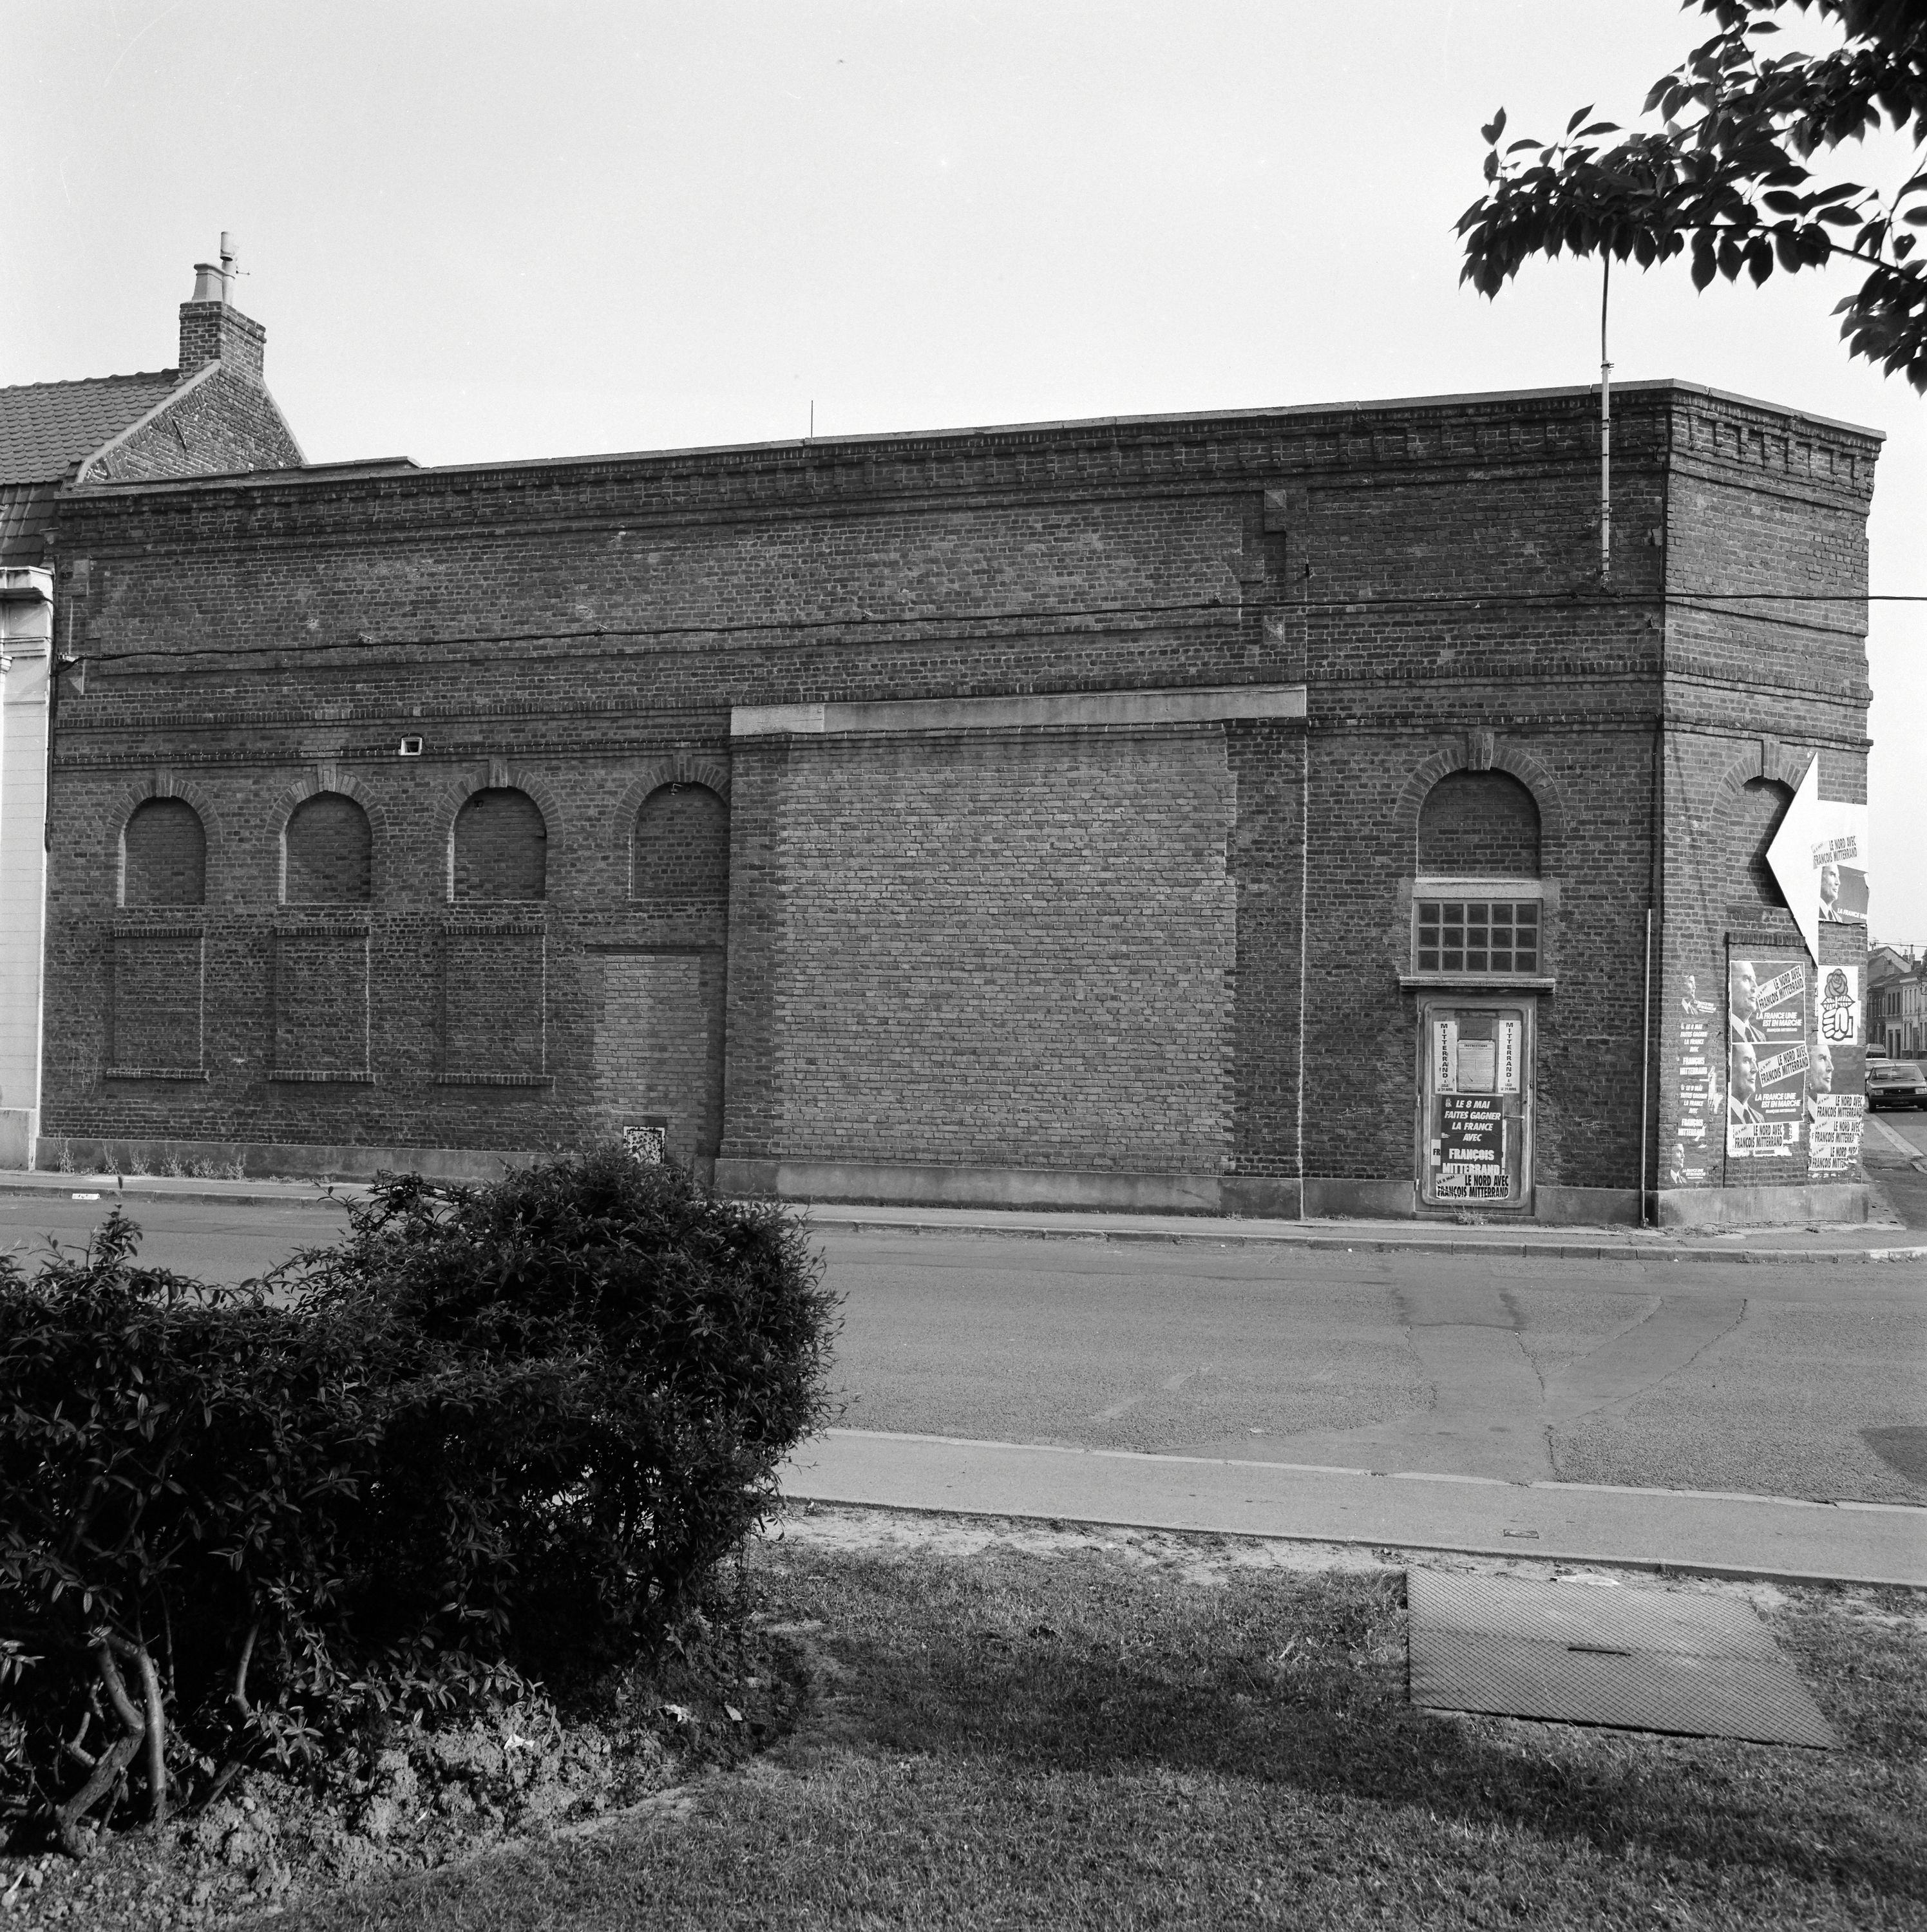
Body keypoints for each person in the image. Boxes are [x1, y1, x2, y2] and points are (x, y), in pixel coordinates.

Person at [1729, 1042, 1765, 1128]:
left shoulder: (1759, 1118)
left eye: (1755, 1061)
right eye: (1747, 1061)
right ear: (1730, 1066)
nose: (1755, 1069)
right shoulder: (1723, 1113)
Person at [1729, 961, 1766, 1045]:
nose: (1755, 987)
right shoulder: (1721, 1031)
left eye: (1754, 980)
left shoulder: (1761, 1037)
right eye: (1747, 979)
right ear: (1729, 984)